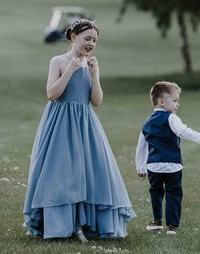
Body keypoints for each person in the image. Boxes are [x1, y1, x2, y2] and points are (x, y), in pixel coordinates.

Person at [23, 19, 136, 241]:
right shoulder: (58, 61)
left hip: (85, 123)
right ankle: (63, 226)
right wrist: (70, 70)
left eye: (94, 40)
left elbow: (97, 101)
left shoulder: (92, 64)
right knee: (62, 172)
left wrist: (94, 75)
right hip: (60, 123)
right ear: (73, 36)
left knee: (90, 172)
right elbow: (52, 94)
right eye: (87, 38)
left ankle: (87, 225)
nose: (91, 43)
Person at [135, 81, 200, 235]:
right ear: (161, 102)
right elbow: (183, 131)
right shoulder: (171, 118)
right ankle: (172, 226)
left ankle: (157, 221)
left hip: (154, 166)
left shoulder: (147, 122)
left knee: (156, 192)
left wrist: (140, 167)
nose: (178, 104)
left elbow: (141, 146)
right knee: (174, 193)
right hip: (173, 165)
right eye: (175, 100)